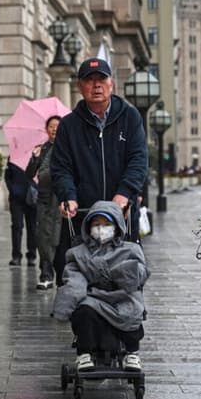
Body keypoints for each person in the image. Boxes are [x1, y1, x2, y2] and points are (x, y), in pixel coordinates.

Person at [50, 57, 148, 285]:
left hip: (122, 216)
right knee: (77, 274)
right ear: (79, 86)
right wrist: (68, 197)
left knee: (126, 274)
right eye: (89, 80)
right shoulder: (69, 125)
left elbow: (138, 160)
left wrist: (123, 194)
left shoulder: (130, 117)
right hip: (83, 217)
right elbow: (61, 167)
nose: (96, 85)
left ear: (111, 83)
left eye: (101, 79)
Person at [52, 200, 149, 371]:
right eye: (96, 224)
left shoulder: (130, 250)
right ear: (88, 228)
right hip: (94, 296)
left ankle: (132, 352)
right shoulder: (78, 253)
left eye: (106, 224)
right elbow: (74, 279)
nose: (101, 229)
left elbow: (140, 273)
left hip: (122, 294)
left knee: (133, 310)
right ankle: (84, 353)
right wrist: (64, 306)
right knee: (84, 312)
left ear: (117, 226)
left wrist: (127, 272)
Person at [25, 115, 62, 289]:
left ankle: (60, 273)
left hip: (61, 198)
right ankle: (46, 273)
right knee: (42, 236)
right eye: (51, 126)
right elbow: (29, 174)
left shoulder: (67, 149)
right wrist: (34, 158)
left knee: (58, 236)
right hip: (44, 198)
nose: (54, 129)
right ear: (46, 130)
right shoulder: (42, 149)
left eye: (57, 126)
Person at [4, 158, 37, 266]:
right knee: (17, 226)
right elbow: (7, 176)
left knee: (32, 227)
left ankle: (31, 256)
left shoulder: (36, 155)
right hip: (16, 199)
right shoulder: (13, 157)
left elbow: (41, 175)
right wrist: (13, 190)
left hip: (31, 197)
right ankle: (16, 256)